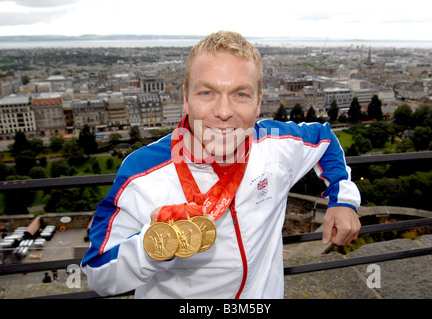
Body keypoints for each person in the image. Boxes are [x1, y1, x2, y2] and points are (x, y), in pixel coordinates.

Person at [81, 30, 361, 299]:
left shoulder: (277, 144)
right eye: (207, 93)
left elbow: (324, 138)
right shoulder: (141, 172)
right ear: (185, 99)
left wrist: (342, 199)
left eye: (241, 94)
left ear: (258, 101)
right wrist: (154, 245)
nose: (224, 112)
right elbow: (97, 272)